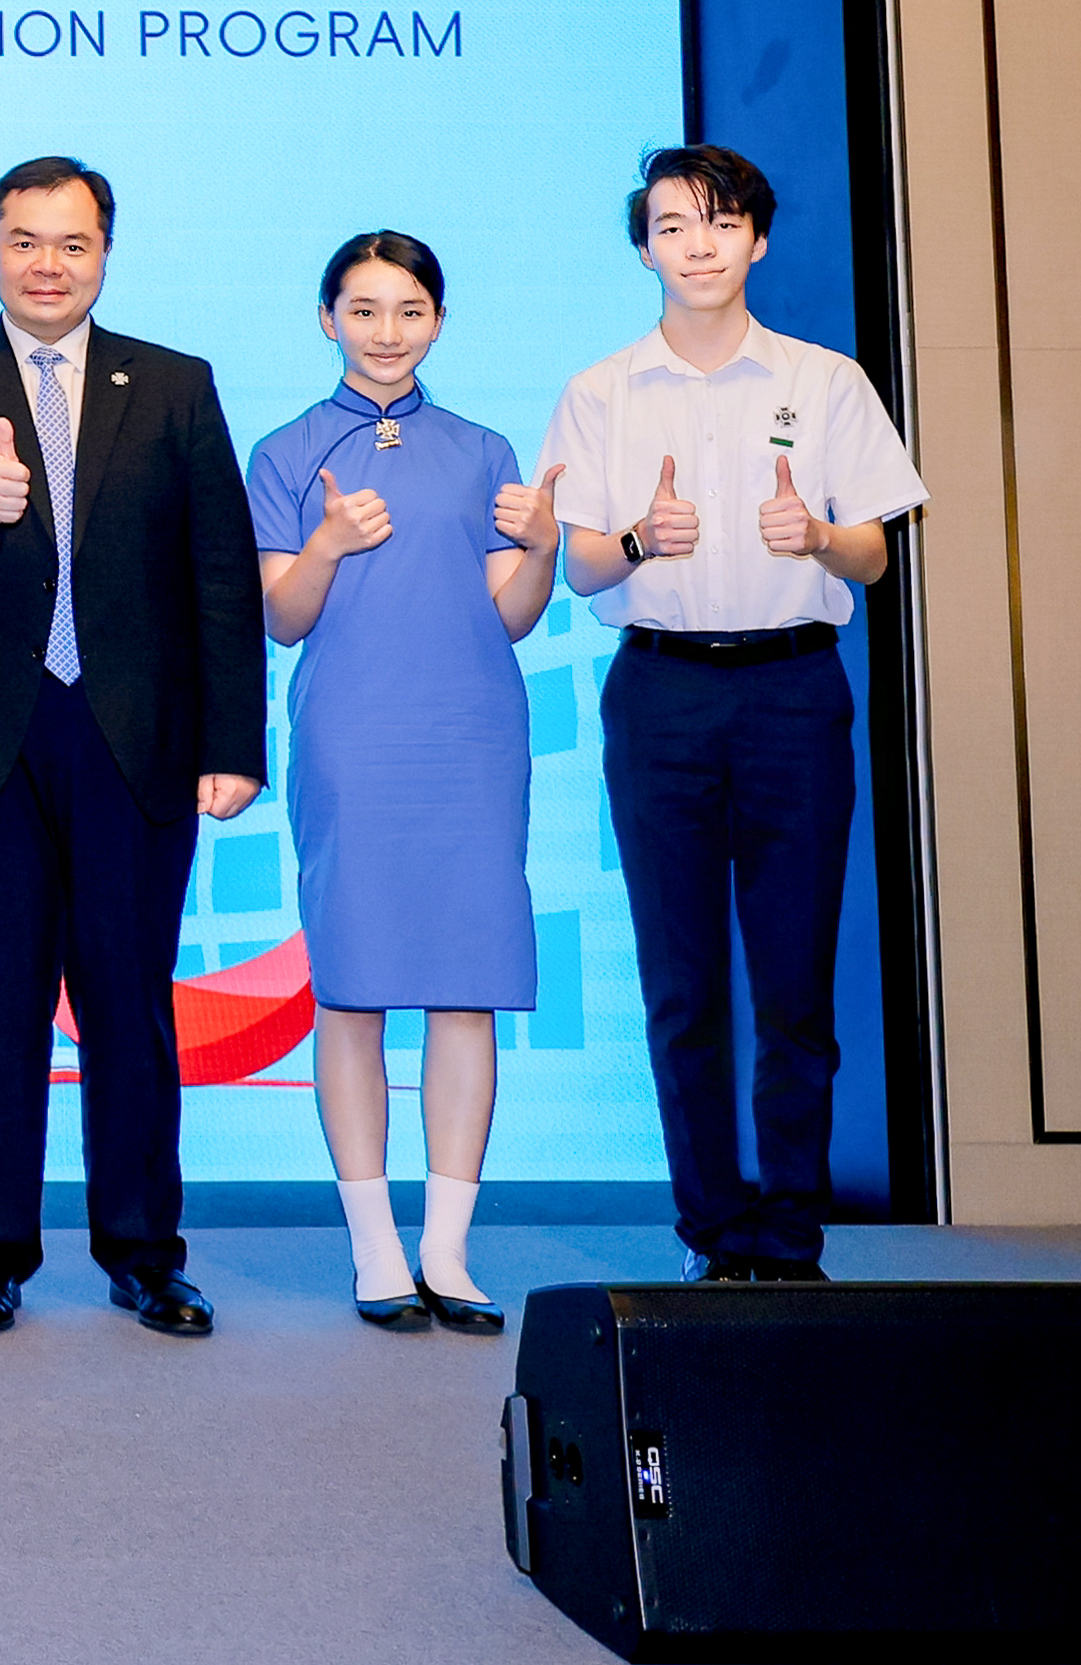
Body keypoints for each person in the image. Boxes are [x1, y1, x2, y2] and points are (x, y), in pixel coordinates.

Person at [0, 156, 267, 1339]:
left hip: (134, 734)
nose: (48, 263)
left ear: (105, 253)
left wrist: (231, 740)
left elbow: (220, 575)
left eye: (73, 242)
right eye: (25, 240)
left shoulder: (178, 384)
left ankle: (145, 1250)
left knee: (129, 999)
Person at [540, 145, 924, 1284]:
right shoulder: (601, 390)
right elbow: (582, 573)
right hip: (659, 692)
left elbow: (876, 555)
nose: (696, 245)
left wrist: (817, 536)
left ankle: (791, 1231)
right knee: (682, 978)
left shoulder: (826, 380)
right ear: (644, 247)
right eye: (671, 226)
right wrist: (636, 542)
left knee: (797, 977)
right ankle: (713, 1228)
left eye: (718, 223)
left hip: (793, 691)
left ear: (756, 239)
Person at [249, 232, 556, 1335]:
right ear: (327, 318)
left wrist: (547, 546)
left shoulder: (482, 449)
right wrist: (327, 543)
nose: (389, 332)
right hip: (351, 736)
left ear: (438, 320)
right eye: (365, 310)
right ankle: (376, 1249)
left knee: (464, 985)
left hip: (471, 735)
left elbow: (511, 616)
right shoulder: (285, 451)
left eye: (410, 309)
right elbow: (285, 616)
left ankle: (448, 1248)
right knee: (355, 986)